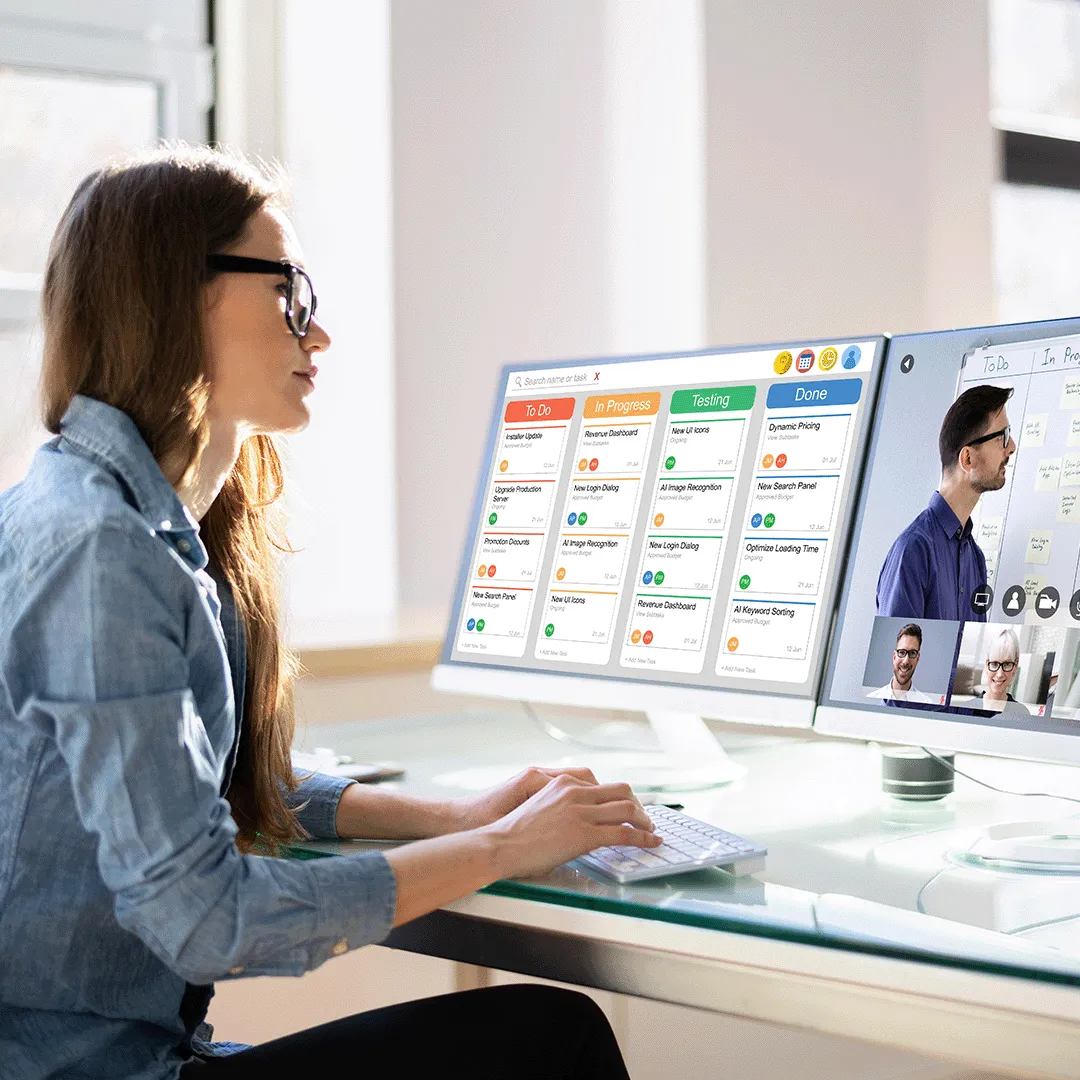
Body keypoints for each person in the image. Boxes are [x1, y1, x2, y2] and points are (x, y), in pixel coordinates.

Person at [0, 146, 659, 1079]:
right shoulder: (101, 550)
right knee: (551, 1043)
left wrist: (448, 817)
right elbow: (205, 920)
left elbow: (192, 780)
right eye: (288, 288)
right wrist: (503, 845)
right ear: (176, 295)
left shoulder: (114, 516)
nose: (319, 332)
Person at [876, 384, 1016, 622]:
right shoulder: (914, 549)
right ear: (968, 458)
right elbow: (897, 655)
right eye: (1002, 436)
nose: (1011, 446)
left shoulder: (976, 560)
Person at [866, 623, 940, 704]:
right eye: (901, 652)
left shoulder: (927, 703)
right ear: (894, 657)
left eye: (912, 653)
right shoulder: (870, 699)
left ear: (918, 658)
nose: (905, 661)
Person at [975, 627, 1030, 715]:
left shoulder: (1022, 712)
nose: (1000, 674)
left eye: (1007, 664)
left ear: (1015, 666)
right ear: (986, 664)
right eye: (994, 664)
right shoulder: (966, 708)